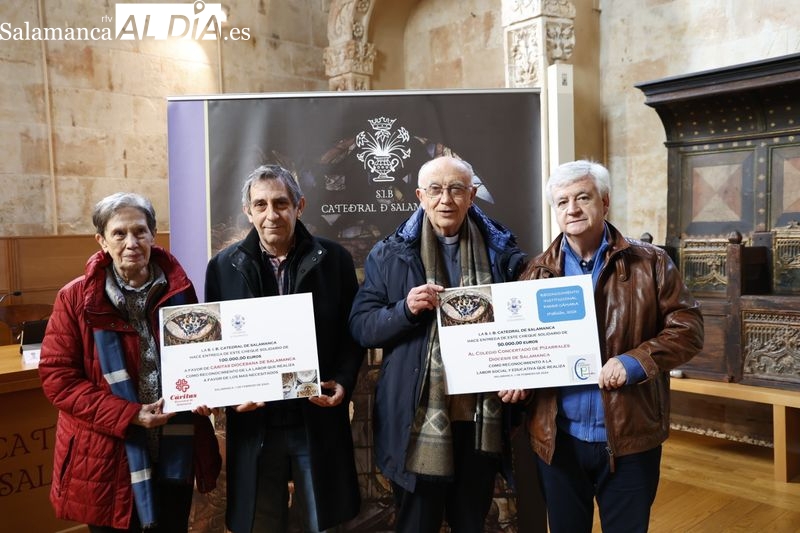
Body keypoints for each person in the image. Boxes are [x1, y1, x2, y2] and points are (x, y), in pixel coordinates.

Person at [519, 160, 704, 533]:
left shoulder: (650, 263)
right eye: (562, 202)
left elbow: (689, 328)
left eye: (582, 197)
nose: (572, 209)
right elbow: (525, 347)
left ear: (604, 203)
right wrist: (518, 378)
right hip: (559, 441)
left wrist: (635, 361)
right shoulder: (535, 272)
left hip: (630, 436)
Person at [348, 155, 528, 533]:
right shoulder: (390, 253)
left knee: (470, 523)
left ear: (471, 196)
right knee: (417, 525)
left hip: (479, 417)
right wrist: (405, 309)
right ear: (420, 196)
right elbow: (362, 327)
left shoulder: (504, 254)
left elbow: (523, 326)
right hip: (415, 421)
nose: (446, 199)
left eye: (456, 189)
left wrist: (520, 372)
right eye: (436, 189)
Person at [38, 192, 221, 533]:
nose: (131, 242)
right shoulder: (75, 297)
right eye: (119, 233)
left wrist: (205, 393)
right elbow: (58, 379)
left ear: (153, 235)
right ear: (102, 242)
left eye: (140, 231)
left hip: (173, 442)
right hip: (107, 454)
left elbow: (199, 358)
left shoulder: (180, 289)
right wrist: (130, 414)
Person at [205, 164, 363, 533]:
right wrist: (229, 395)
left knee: (321, 522)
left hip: (315, 417)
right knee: (261, 523)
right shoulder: (223, 267)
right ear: (248, 211)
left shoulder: (334, 260)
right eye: (260, 205)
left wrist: (343, 379)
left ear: (299, 205)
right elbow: (214, 348)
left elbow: (352, 333)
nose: (271, 214)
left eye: (280, 203)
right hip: (254, 423)